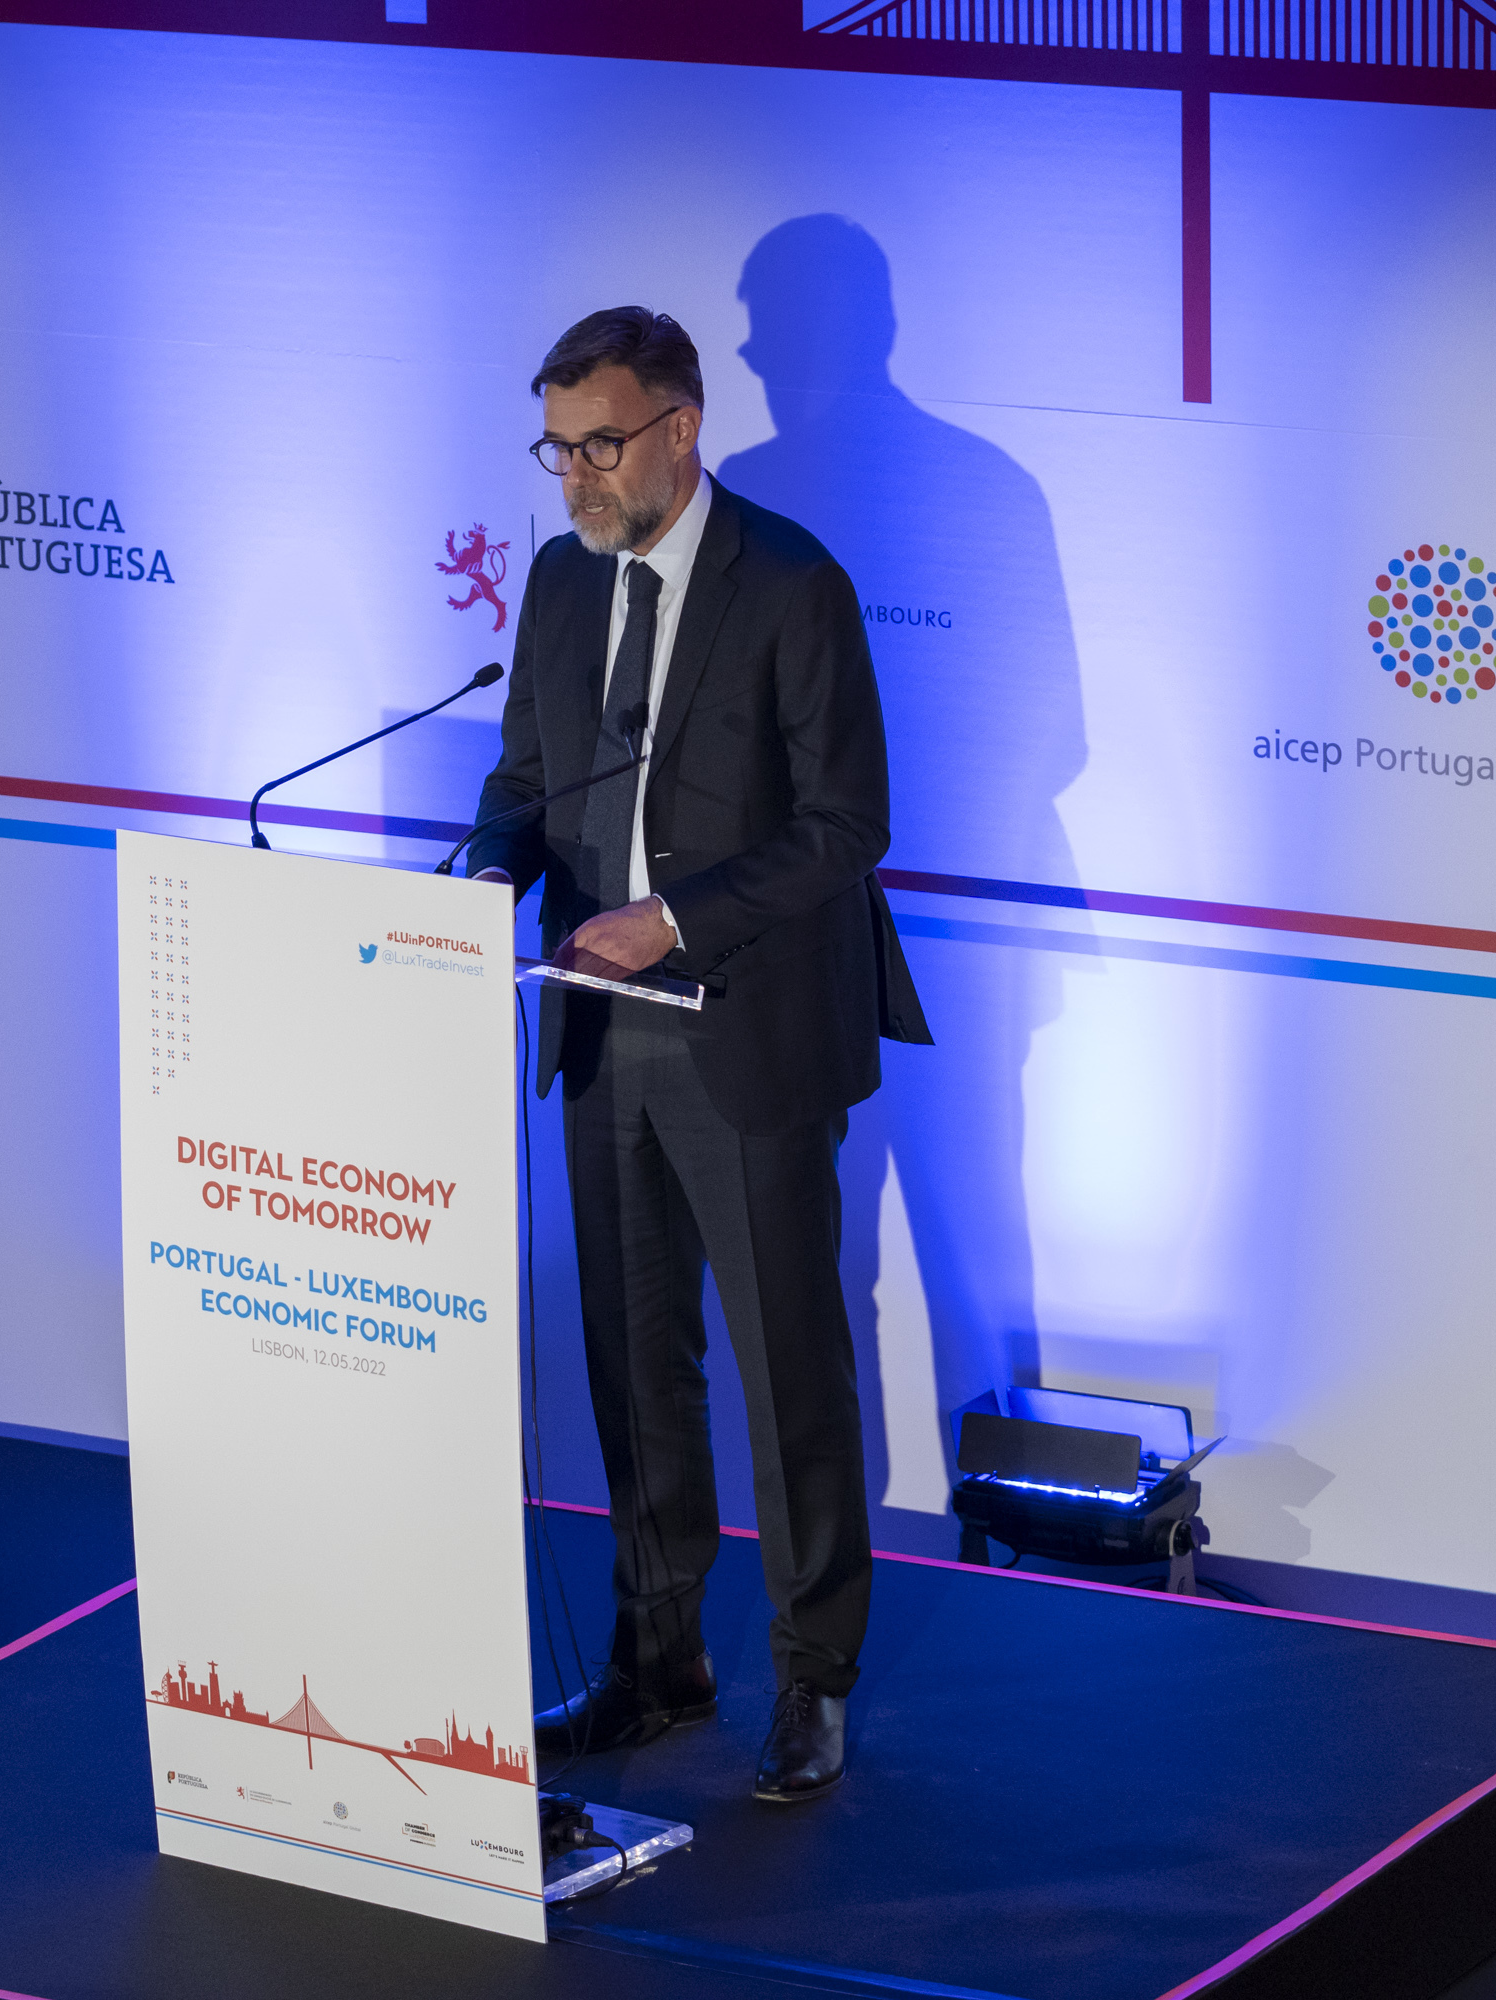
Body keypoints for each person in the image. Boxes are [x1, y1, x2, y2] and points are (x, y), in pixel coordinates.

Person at [469, 306, 929, 1803]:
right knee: (634, 1358)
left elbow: (847, 825)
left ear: (680, 428)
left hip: (748, 1031)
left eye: (600, 445)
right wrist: (477, 882)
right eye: (557, 448)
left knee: (789, 1365)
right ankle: (658, 1660)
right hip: (598, 1028)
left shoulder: (792, 582)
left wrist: (672, 920)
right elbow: (524, 780)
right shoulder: (558, 580)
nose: (575, 477)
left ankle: (813, 1678)